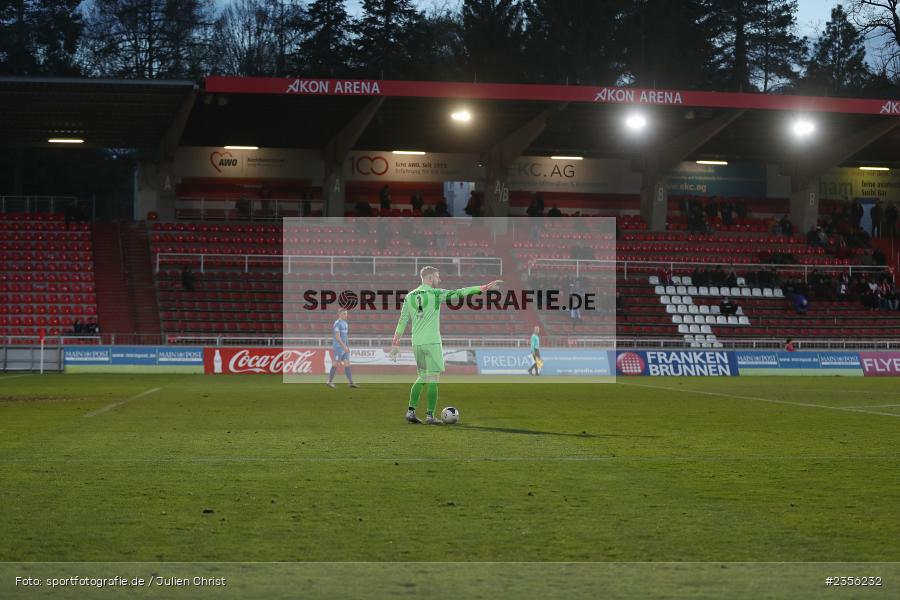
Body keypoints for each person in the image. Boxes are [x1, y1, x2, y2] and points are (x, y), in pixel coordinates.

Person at [391, 266, 502, 425]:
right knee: (434, 378)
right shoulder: (435, 294)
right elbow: (459, 293)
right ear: (429, 278)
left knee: (422, 376)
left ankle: (410, 411)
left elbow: (402, 321)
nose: (439, 279)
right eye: (437, 277)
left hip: (417, 343)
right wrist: (483, 288)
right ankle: (430, 416)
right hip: (432, 341)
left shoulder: (409, 296)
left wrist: (395, 343)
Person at [327, 308, 358, 388]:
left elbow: (345, 336)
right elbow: (337, 337)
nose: (346, 315)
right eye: (344, 314)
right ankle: (329, 381)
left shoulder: (345, 323)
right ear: (340, 314)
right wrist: (344, 346)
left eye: (346, 313)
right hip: (338, 347)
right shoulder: (337, 323)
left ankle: (351, 382)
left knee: (347, 363)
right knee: (336, 363)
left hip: (344, 347)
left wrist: (347, 346)